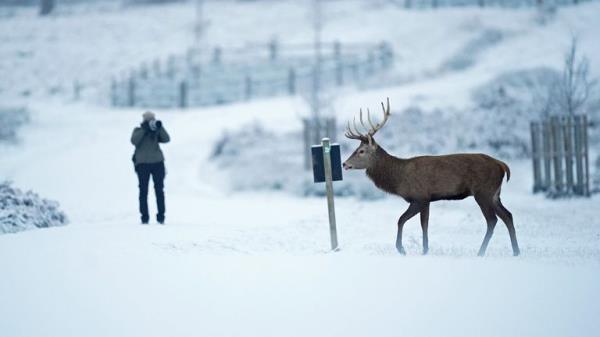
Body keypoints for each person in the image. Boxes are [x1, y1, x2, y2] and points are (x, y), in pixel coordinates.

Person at [131, 111, 170, 224]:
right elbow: (134, 141)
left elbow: (167, 139)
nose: (151, 122)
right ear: (143, 120)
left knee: (159, 190)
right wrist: (144, 129)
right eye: (149, 120)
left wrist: (159, 128)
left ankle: (161, 216)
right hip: (142, 164)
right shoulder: (138, 130)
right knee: (143, 191)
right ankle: (144, 217)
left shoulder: (156, 131)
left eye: (152, 119)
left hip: (157, 163)